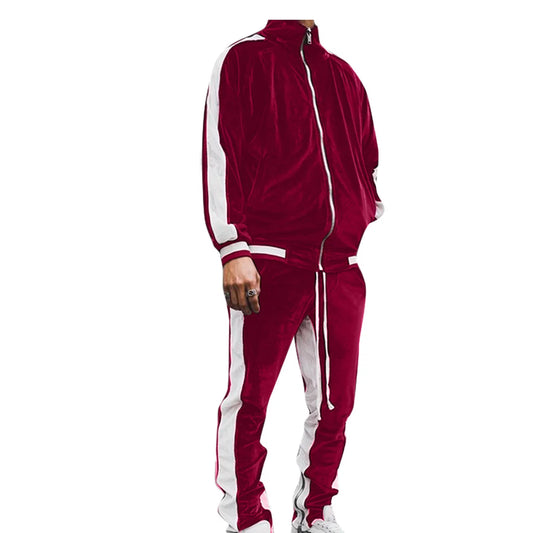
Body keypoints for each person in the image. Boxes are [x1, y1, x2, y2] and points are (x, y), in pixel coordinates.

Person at [201, 19, 384, 533]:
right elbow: (220, 153)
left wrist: (361, 210)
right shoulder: (244, 59)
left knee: (335, 404)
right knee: (250, 398)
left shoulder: (343, 75)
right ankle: (246, 518)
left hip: (339, 268)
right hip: (268, 259)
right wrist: (232, 248)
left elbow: (368, 156)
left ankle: (316, 509)